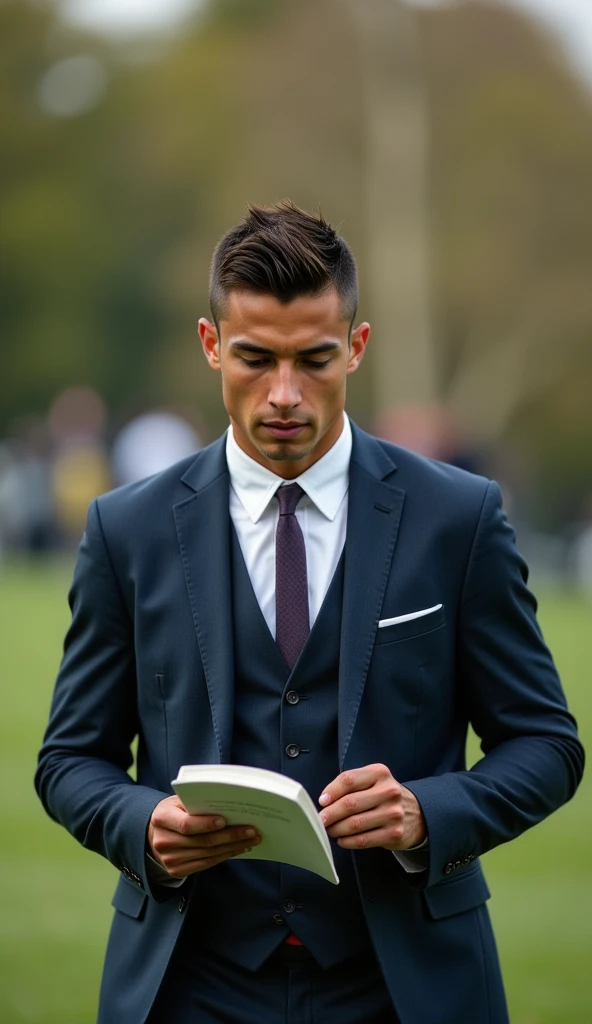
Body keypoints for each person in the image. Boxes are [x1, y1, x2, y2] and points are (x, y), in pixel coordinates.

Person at [36, 202, 584, 1024]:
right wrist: (143, 823)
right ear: (211, 344)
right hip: (191, 980)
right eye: (255, 358)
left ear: (356, 349)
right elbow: (70, 759)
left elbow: (547, 744)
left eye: (314, 361)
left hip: (405, 984)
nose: (284, 395)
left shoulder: (457, 518)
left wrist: (425, 815)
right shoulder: (129, 529)